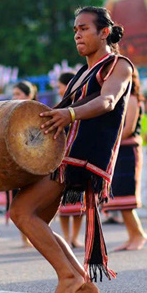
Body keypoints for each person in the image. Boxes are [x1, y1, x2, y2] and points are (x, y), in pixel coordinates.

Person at [10, 6, 133, 293]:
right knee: (35, 217)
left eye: (84, 28)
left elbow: (107, 100)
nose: (77, 34)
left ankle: (68, 276)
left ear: (104, 32)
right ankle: (83, 281)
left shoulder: (118, 64)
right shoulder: (83, 72)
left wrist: (71, 113)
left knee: (21, 212)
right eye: (75, 29)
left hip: (80, 155)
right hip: (63, 154)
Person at [104, 67, 147, 251]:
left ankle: (138, 235)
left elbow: (128, 128)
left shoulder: (132, 98)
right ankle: (133, 235)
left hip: (128, 148)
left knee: (126, 196)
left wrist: (108, 140)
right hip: (119, 149)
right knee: (120, 197)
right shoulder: (122, 98)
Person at [55, 72, 84, 248]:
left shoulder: (83, 106)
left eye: (60, 86)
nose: (59, 91)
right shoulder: (59, 107)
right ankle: (66, 237)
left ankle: (75, 237)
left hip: (79, 157)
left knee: (79, 201)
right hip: (62, 159)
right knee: (63, 203)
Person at [10, 80, 39, 248]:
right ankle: (24, 238)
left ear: (29, 96)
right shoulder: (10, 113)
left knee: (35, 200)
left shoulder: (37, 112)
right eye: (13, 94)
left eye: (18, 94)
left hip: (34, 161)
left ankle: (38, 235)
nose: (15, 97)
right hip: (17, 163)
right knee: (19, 200)